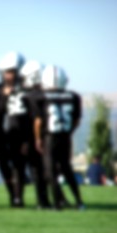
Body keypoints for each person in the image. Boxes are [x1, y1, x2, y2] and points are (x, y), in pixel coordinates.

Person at [33, 65, 85, 210]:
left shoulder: (41, 97)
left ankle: (57, 203)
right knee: (67, 170)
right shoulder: (74, 97)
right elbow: (77, 121)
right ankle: (79, 201)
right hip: (65, 137)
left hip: (50, 137)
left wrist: (37, 138)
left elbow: (38, 122)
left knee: (49, 171)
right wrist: (70, 132)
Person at [0, 51, 27, 207]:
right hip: (1, 134)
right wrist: (4, 96)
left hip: (19, 134)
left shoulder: (25, 89)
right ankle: (12, 194)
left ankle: (18, 198)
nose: (8, 75)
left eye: (11, 72)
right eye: (6, 72)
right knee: (4, 167)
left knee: (18, 167)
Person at [19, 60, 51, 208]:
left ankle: (42, 200)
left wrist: (26, 140)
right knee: (44, 170)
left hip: (35, 137)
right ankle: (47, 200)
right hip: (47, 136)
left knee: (37, 171)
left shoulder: (30, 96)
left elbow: (31, 121)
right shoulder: (46, 94)